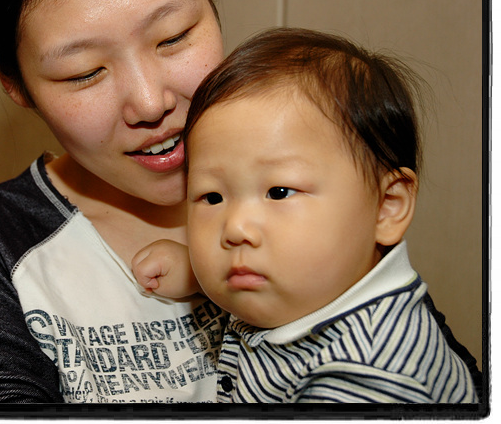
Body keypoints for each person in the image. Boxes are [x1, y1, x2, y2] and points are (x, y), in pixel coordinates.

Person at [0, 0, 479, 404]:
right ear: (12, 78)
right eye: (83, 72)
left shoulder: (320, 163)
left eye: (174, 36)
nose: (150, 102)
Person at [131, 27, 479, 403]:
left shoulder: (370, 376)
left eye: (279, 192)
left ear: (386, 207)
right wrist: (198, 273)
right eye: (212, 197)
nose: (235, 227)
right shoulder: (313, 287)